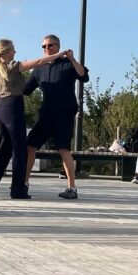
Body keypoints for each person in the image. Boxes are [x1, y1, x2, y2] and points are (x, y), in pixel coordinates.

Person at [0, 38, 64, 199]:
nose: (15, 52)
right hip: (13, 108)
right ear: (7, 52)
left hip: (1, 109)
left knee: (6, 146)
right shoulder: (13, 65)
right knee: (20, 150)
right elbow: (39, 62)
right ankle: (18, 190)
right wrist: (59, 54)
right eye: (13, 49)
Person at [23, 34, 89, 200]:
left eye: (50, 45)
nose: (47, 48)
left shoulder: (67, 64)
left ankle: (71, 188)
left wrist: (72, 59)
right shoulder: (39, 68)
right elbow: (26, 89)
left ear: (58, 47)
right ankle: (23, 183)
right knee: (30, 145)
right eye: (44, 46)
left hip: (64, 114)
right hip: (46, 114)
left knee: (63, 149)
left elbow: (84, 76)